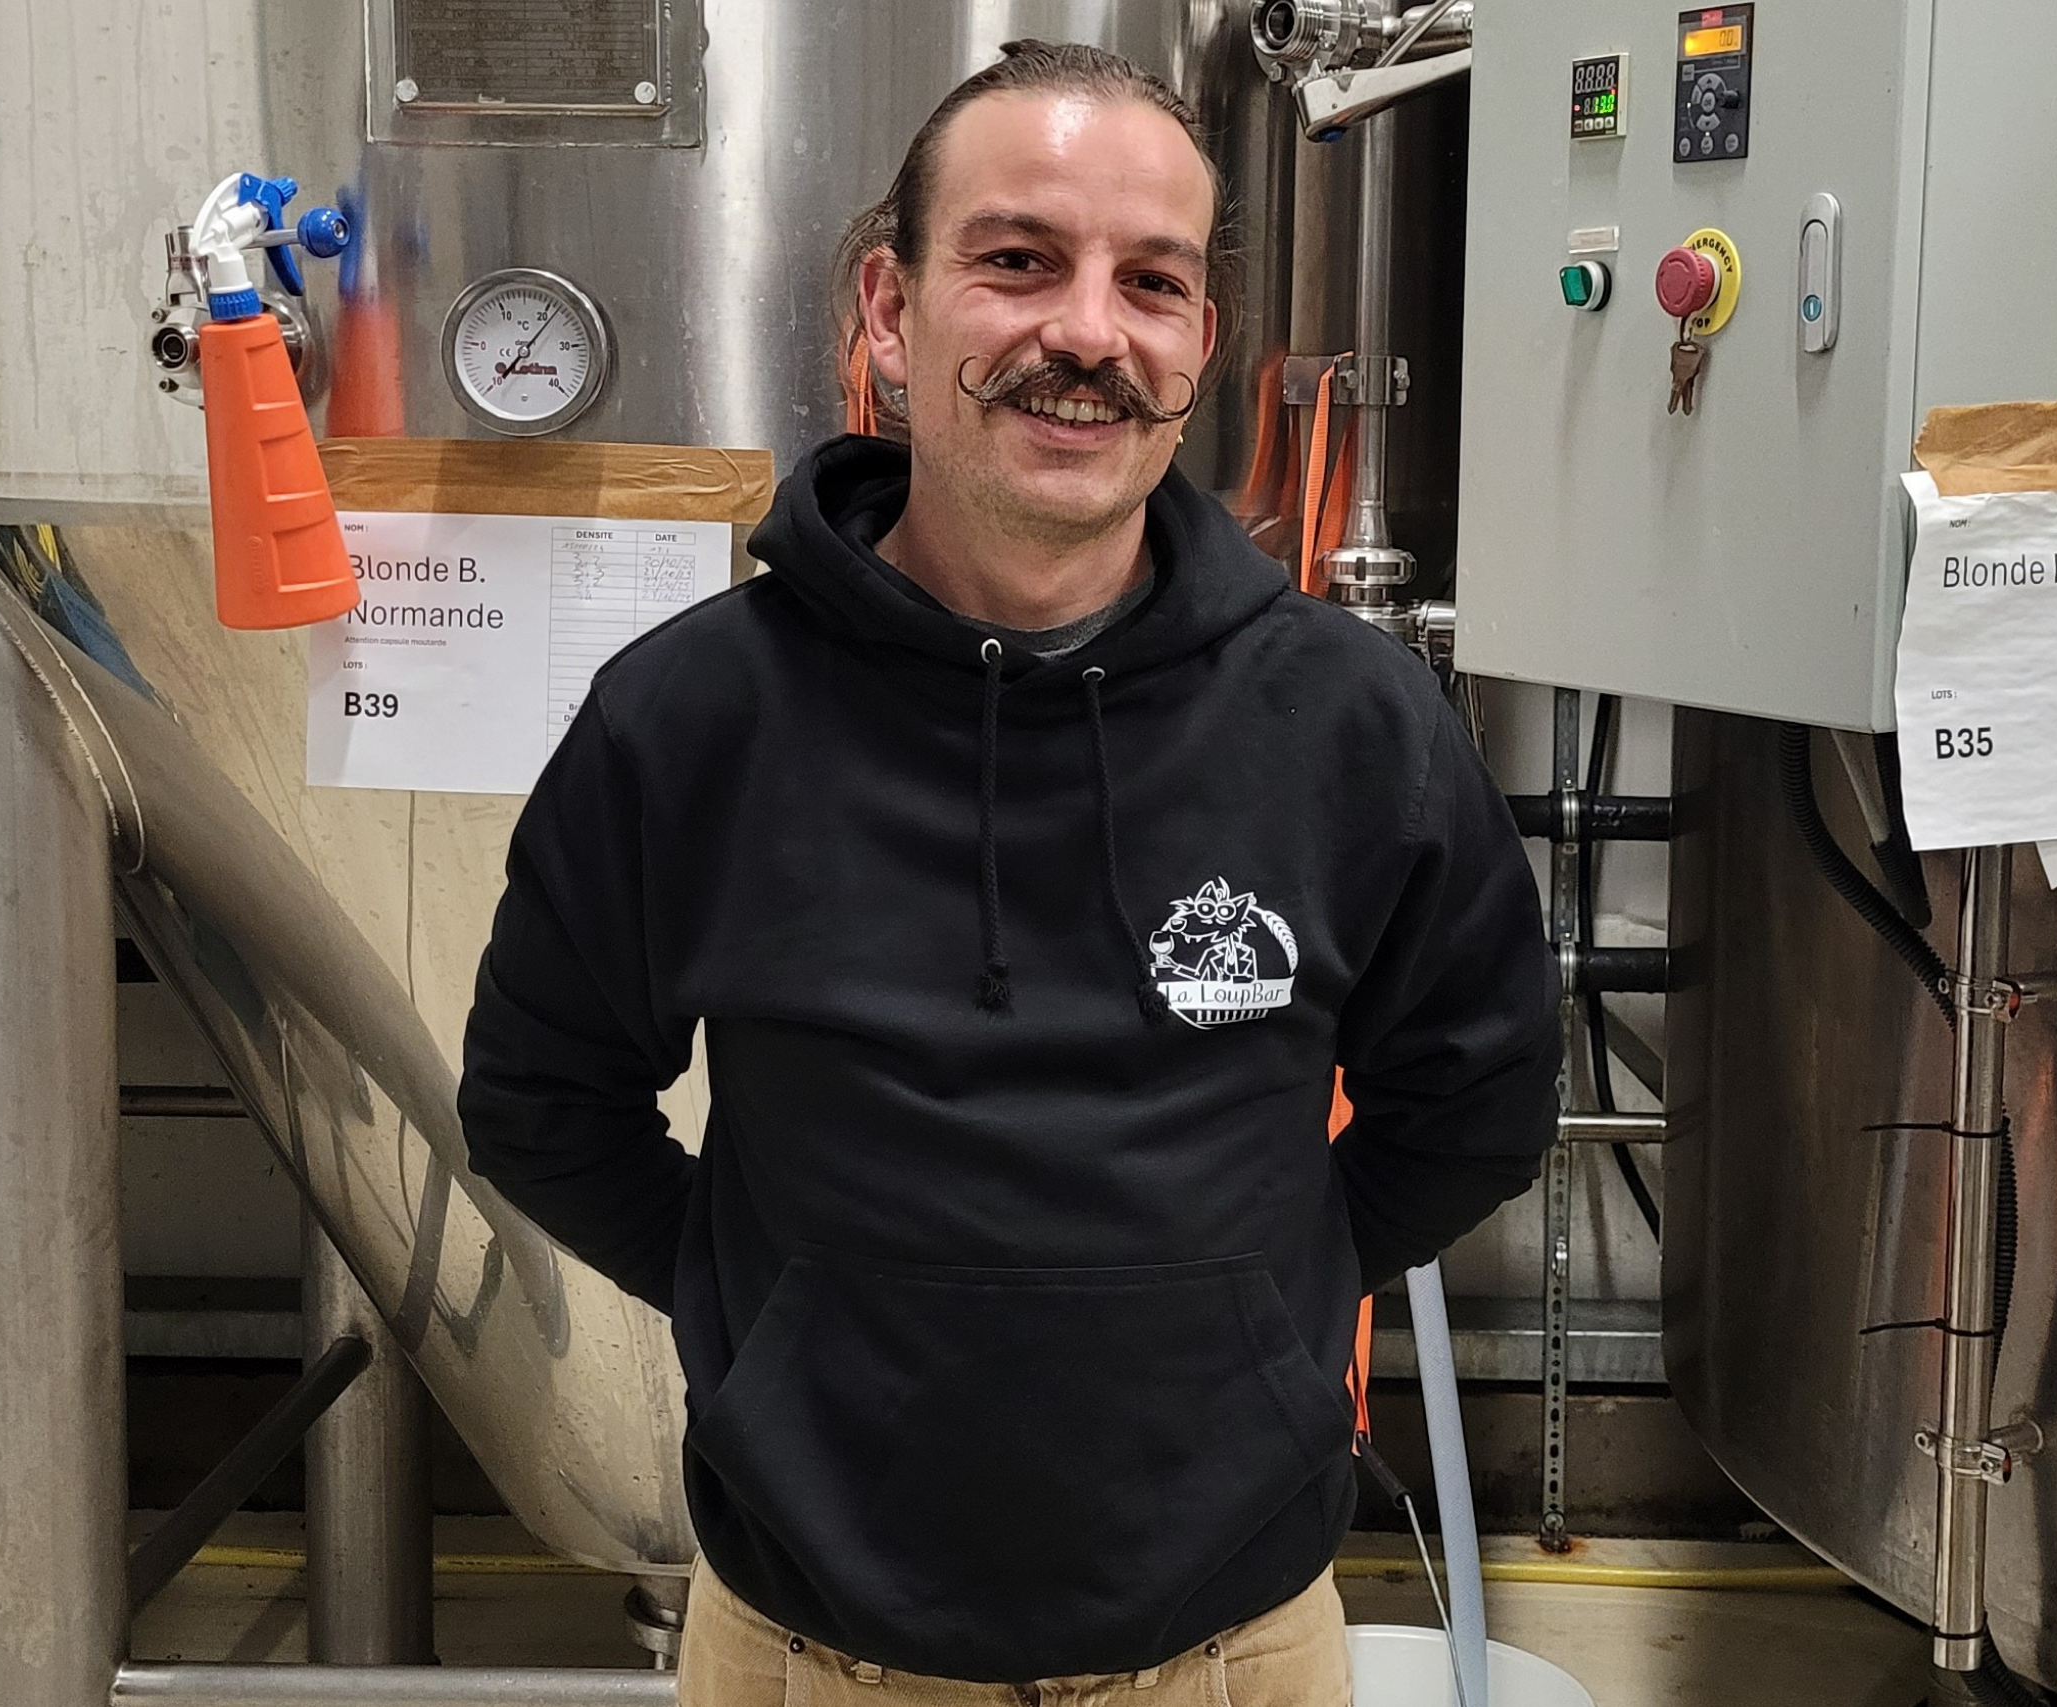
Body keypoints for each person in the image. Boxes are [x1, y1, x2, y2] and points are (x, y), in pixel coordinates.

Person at [459, 39, 1560, 1706]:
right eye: (1020, 260)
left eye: (1152, 282)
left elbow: (1475, 1104)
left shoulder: (1354, 726)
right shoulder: (690, 721)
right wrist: (767, 1315)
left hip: (1234, 1657)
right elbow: (541, 1104)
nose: (1090, 333)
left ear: (1200, 342)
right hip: (810, 1658)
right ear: (890, 311)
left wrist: (1262, 1303)